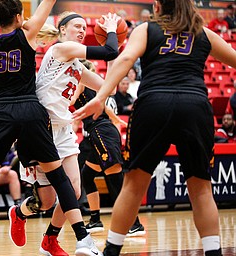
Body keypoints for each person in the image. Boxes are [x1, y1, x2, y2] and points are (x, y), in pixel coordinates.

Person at [73, 0, 236, 255]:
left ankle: (111, 251)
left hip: (154, 103)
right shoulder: (203, 32)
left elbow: (126, 57)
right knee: (202, 188)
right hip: (194, 105)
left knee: (134, 184)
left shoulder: (148, 29)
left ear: (158, 5)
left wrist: (101, 96)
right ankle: (213, 252)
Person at [0, 1, 101, 256]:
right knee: (59, 178)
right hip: (31, 111)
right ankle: (82, 238)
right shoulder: (28, 34)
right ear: (20, 17)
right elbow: (47, 4)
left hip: (2, 113)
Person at [13, 11, 120, 256]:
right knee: (46, 202)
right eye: (77, 26)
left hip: (63, 130)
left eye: (85, 27)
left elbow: (109, 88)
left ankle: (50, 240)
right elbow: (109, 51)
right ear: (62, 31)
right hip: (41, 128)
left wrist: (115, 55)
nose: (82, 31)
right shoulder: (60, 50)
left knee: (74, 190)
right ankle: (19, 213)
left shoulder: (76, 66)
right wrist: (112, 30)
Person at [72, 59, 145, 237]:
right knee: (87, 176)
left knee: (115, 179)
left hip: (101, 132)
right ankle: (95, 219)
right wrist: (115, 120)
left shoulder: (81, 81)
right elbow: (103, 106)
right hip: (100, 131)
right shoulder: (95, 89)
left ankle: (134, 224)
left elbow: (71, 100)